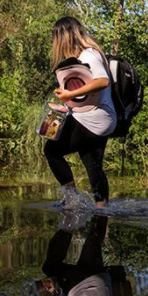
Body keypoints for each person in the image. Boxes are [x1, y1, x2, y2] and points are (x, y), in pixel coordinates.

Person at [45, 17, 115, 208]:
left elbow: (102, 82)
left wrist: (70, 93)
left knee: (51, 151)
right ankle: (103, 209)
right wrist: (68, 99)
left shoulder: (88, 56)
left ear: (64, 36)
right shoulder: (88, 55)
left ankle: (72, 200)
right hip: (102, 119)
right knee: (92, 164)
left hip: (92, 118)